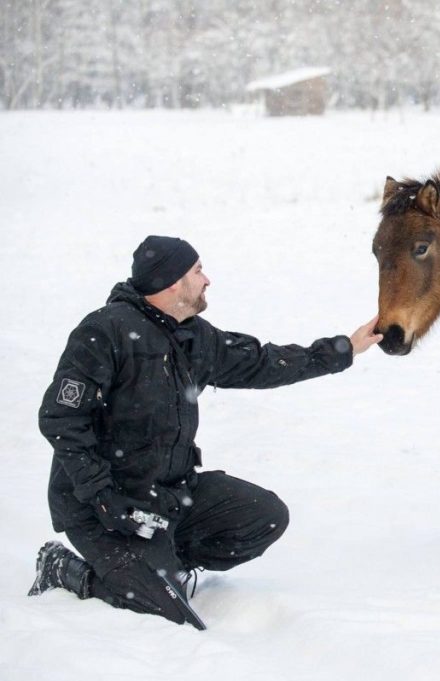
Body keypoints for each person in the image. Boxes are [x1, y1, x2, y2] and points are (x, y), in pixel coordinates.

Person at [27, 235, 382, 628]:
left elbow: (261, 362)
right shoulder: (104, 333)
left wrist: (342, 350)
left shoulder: (192, 335)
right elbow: (61, 419)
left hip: (168, 496)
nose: (207, 279)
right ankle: (66, 570)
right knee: (168, 614)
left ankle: (161, 560)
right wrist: (102, 497)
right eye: (197, 271)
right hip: (103, 509)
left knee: (265, 516)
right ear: (173, 282)